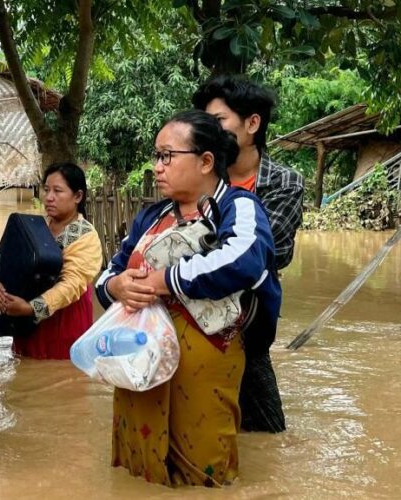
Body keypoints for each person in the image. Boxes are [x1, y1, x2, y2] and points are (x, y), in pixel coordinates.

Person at [95, 110, 281, 487]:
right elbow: (109, 271)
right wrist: (116, 287)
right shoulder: (150, 216)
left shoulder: (238, 207)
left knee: (202, 467)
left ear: (206, 161)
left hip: (206, 359)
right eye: (156, 156)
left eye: (167, 156)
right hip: (141, 360)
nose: (157, 167)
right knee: (138, 464)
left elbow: (243, 259)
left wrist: (164, 279)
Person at [193, 75, 304, 433]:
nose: (210, 130)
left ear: (252, 123)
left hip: (250, 324)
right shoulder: (197, 175)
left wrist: (207, 247)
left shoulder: (283, 183)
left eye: (219, 121)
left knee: (268, 435)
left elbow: (272, 252)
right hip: (193, 318)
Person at [0, 162, 103, 359]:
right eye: (46, 190)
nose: (49, 197)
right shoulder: (36, 228)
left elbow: (71, 285)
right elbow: (5, 259)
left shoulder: (85, 236)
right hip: (25, 322)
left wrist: (31, 308)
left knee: (62, 377)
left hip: (64, 323)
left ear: (78, 196)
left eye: (58, 191)